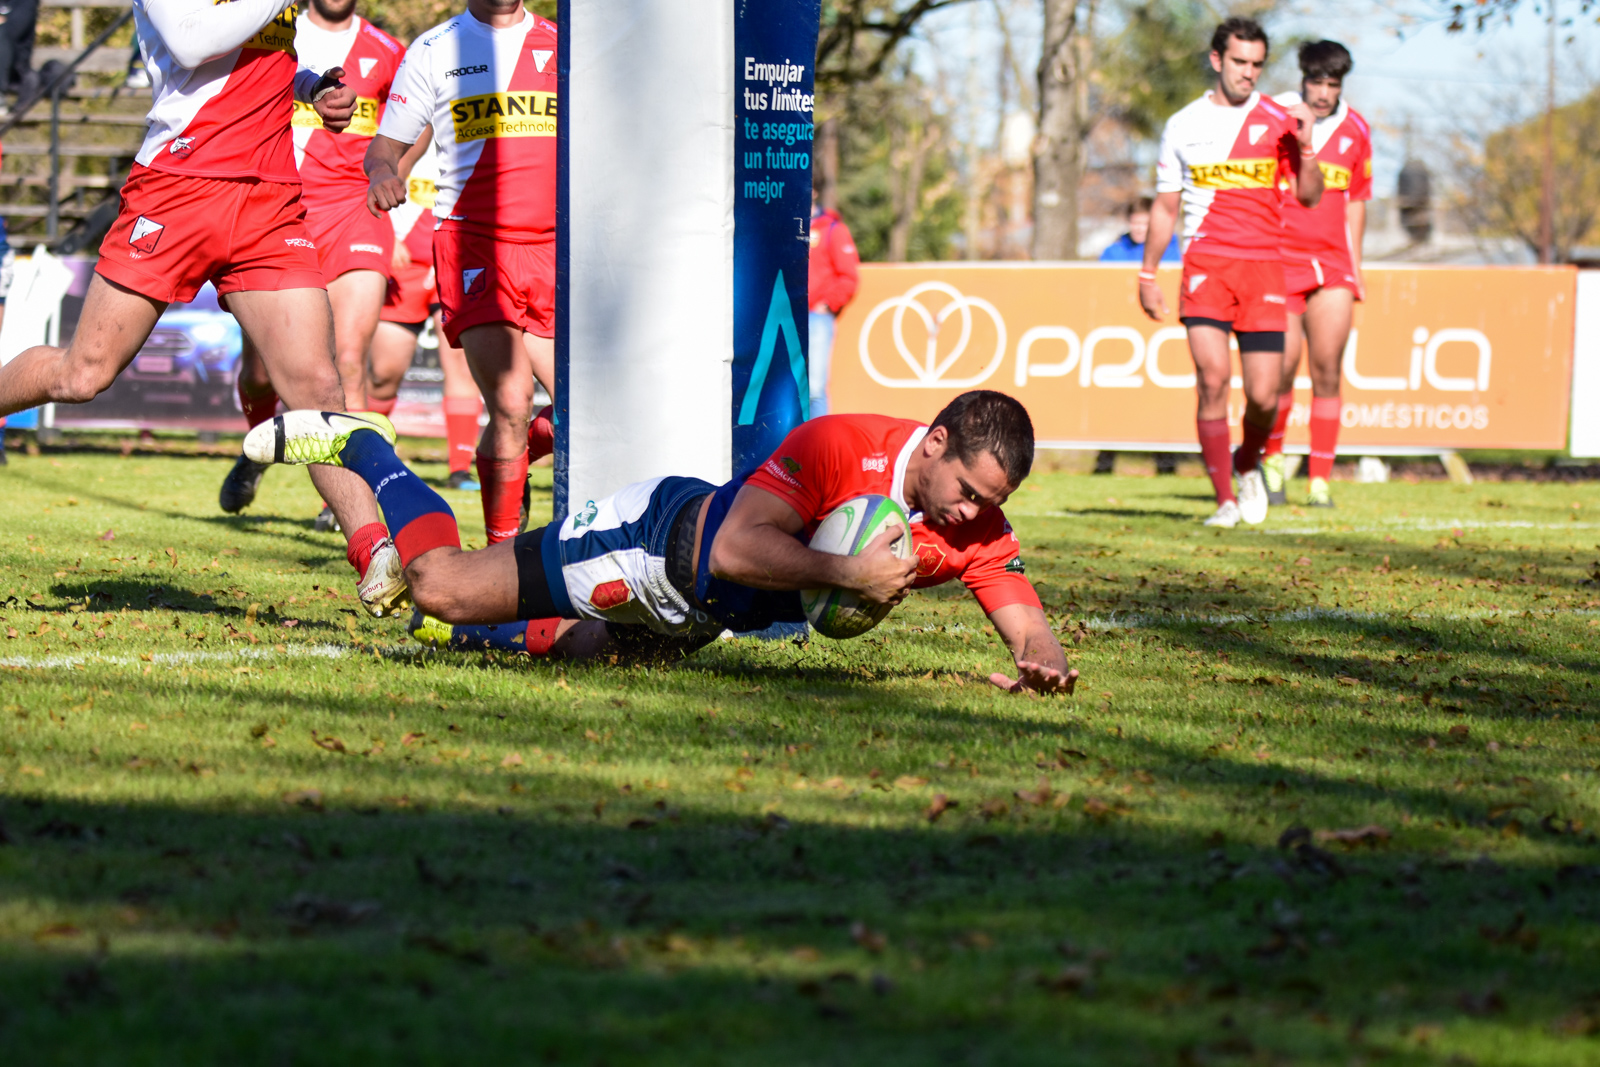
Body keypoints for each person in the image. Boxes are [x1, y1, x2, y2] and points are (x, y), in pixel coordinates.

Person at [242, 392, 1079, 695]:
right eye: (968, 491)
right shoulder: (840, 445)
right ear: (934, 444)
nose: (972, 513)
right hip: (651, 545)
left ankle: (465, 637)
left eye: (991, 503)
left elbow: (1023, 614)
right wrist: (847, 571)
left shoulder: (978, 524)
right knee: (441, 585)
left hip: (703, 618)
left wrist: (1042, 660)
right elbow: (735, 549)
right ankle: (369, 446)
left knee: (588, 657)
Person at [0, 0, 408, 617]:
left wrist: (309, 88)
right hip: (179, 186)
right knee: (83, 375)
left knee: (317, 384)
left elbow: (254, 58)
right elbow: (192, 45)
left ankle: (373, 553)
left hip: (270, 196)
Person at [365, 0, 557, 545]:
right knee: (512, 402)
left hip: (555, 247)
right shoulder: (434, 48)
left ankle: (509, 456)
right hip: (474, 242)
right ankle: (502, 557)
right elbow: (385, 147)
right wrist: (382, 174)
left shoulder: (563, 44)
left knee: (582, 410)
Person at [218, 0, 403, 529]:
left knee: (348, 358)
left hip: (355, 210)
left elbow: (413, 123)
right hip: (279, 208)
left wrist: (389, 176)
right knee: (261, 374)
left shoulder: (388, 50)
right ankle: (256, 445)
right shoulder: (267, 28)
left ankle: (340, 498)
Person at [1138, 17, 1322, 529]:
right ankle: (1224, 499)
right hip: (1205, 267)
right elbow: (1165, 207)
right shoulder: (1183, 124)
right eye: (1240, 61)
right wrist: (1148, 275)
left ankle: (1246, 463)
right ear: (1217, 59)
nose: (1249, 72)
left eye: (1257, 64)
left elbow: (1310, 195)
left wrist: (1307, 145)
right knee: (1213, 379)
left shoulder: (1280, 119)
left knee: (1265, 395)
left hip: (1264, 269)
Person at [1261, 40, 1370, 509]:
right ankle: (1272, 460)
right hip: (1281, 261)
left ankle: (1320, 480)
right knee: (1280, 371)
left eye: (1333, 84)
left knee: (1327, 371)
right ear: (1303, 79)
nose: (1324, 93)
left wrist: (1355, 266)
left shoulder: (1357, 129)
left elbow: (1358, 200)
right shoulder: (1278, 118)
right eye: (1316, 82)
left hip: (1333, 266)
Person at [364, 132, 485, 492]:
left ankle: (460, 470)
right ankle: (369, 458)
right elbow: (375, 182)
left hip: (454, 256)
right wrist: (387, 237)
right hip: (404, 266)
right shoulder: (401, 130)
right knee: (383, 373)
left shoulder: (474, 123)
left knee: (461, 364)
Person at [807, 191, 859, 418]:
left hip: (815, 318)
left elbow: (848, 277)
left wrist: (827, 304)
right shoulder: (782, 224)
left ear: (814, 192)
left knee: (814, 389)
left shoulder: (832, 229)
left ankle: (817, 438)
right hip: (782, 316)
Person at [1098, 197, 1180, 263]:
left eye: (1145, 224)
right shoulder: (1112, 253)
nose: (1139, 229)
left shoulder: (1168, 250)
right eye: (1135, 223)